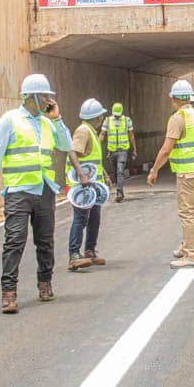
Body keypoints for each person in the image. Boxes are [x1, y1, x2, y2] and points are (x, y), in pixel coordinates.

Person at [0, 73, 89, 313]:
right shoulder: (10, 120)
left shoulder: (49, 123)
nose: (49, 99)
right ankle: (9, 293)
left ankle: (45, 283)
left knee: (45, 241)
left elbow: (66, 145)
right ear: (31, 96)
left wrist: (58, 119)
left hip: (44, 189)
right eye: (44, 95)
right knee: (15, 241)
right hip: (18, 190)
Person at [147, 79, 194, 268]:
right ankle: (186, 245)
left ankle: (191, 255)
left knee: (187, 213)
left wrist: (154, 170)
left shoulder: (177, 118)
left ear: (173, 99)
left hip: (188, 173)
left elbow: (166, 150)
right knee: (191, 211)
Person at [66, 99, 109, 270]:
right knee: (81, 218)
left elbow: (93, 159)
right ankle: (74, 255)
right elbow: (73, 153)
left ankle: (90, 251)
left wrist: (104, 174)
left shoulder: (91, 131)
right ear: (97, 117)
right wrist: (82, 176)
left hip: (92, 184)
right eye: (101, 116)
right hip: (82, 185)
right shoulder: (83, 131)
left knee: (94, 218)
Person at [100, 102, 137, 202]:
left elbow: (131, 135)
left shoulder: (127, 120)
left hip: (122, 150)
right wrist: (97, 146)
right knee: (115, 172)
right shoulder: (107, 121)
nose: (117, 117)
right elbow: (102, 134)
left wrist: (134, 149)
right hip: (112, 151)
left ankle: (119, 193)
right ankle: (120, 190)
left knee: (120, 171)